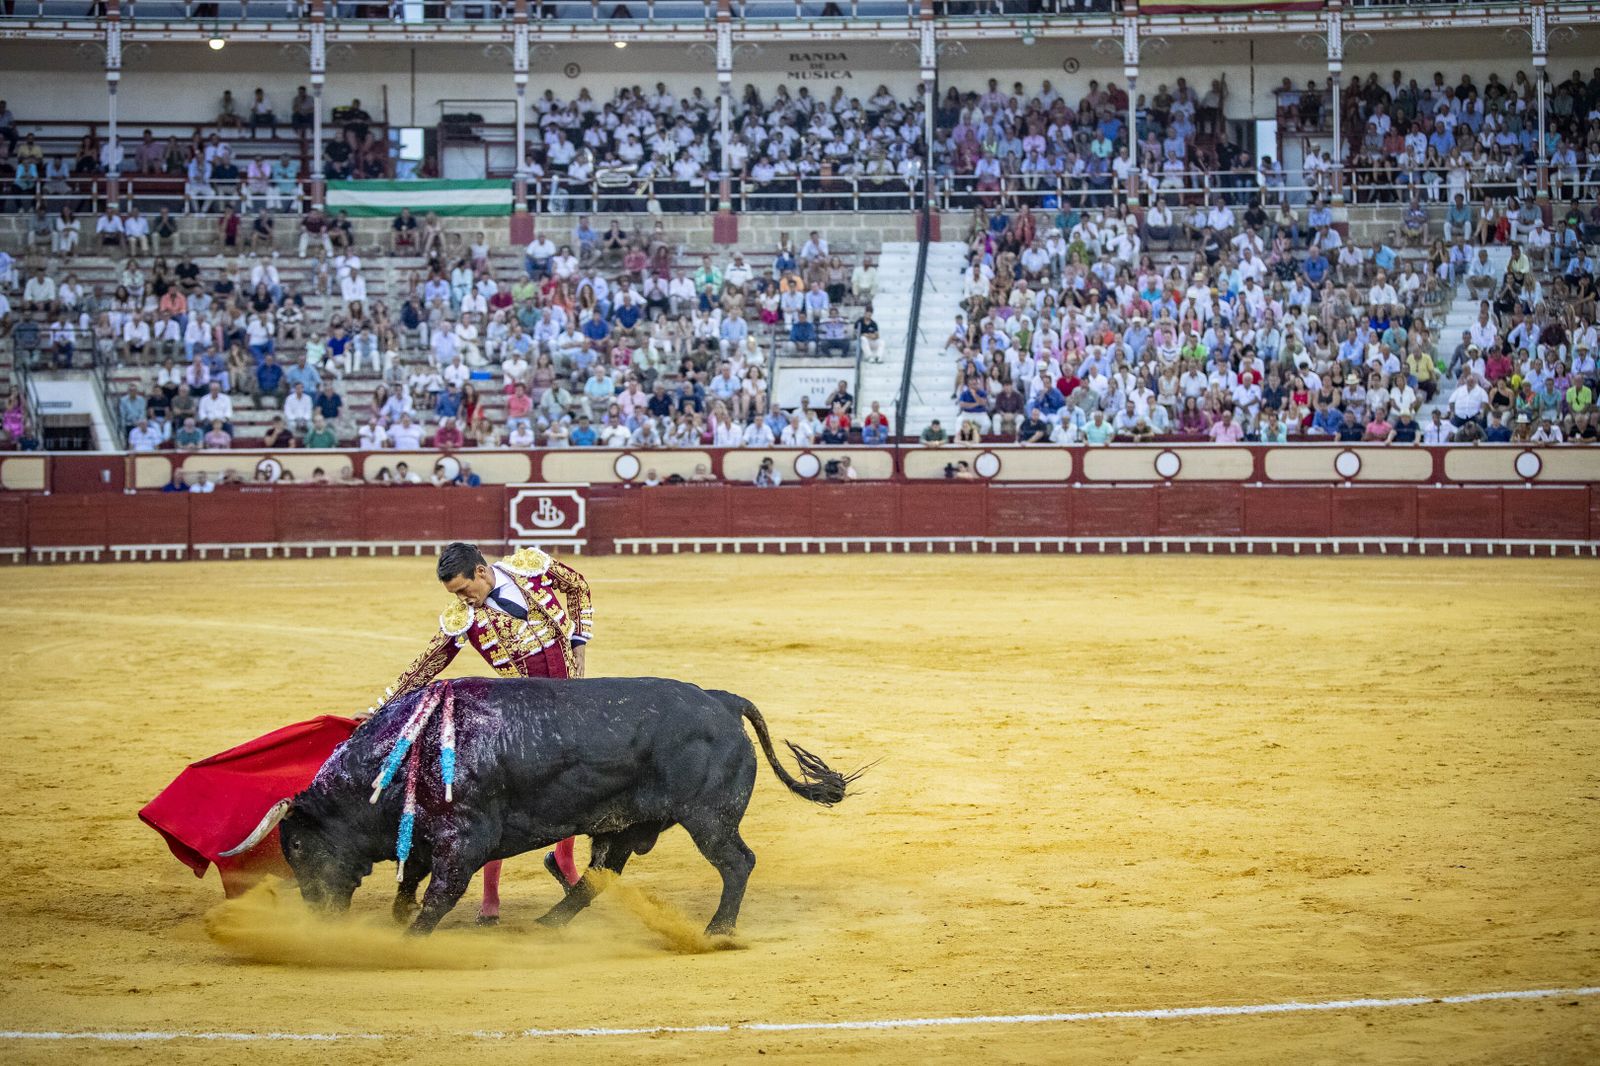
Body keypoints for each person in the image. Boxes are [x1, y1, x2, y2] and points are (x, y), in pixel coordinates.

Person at [369, 543, 595, 925]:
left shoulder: (530, 567)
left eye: (463, 589)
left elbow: (578, 586)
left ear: (482, 571)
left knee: (578, 782)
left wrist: (579, 645)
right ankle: (490, 897)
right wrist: (379, 710)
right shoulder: (463, 618)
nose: (462, 599)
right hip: (523, 715)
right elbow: (425, 665)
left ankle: (563, 857)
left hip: (571, 700)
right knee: (502, 798)